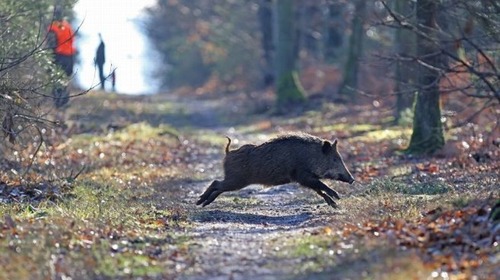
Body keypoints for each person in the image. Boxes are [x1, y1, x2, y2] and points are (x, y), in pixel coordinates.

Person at [47, 7, 76, 107]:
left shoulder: (53, 27)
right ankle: (64, 102)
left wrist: (50, 60)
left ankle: (58, 104)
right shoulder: (67, 26)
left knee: (56, 79)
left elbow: (51, 45)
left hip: (59, 56)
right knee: (65, 80)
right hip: (69, 57)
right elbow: (72, 42)